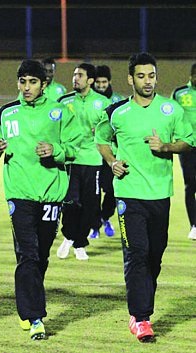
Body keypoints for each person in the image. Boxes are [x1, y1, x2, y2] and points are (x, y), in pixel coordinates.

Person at [95, 52, 192, 342]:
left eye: (151, 75)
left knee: (154, 255)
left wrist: (165, 147)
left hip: (160, 194)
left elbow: (188, 141)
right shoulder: (117, 113)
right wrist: (112, 161)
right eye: (141, 76)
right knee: (136, 253)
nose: (147, 81)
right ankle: (141, 317)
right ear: (130, 79)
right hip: (128, 195)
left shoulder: (171, 109)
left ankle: (141, 306)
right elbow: (101, 140)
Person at [0, 59, 81, 340]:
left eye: (33, 82)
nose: (27, 88)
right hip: (19, 193)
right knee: (28, 253)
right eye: (22, 82)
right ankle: (35, 316)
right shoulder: (6, 113)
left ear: (44, 85)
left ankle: (28, 302)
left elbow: (77, 146)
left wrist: (56, 150)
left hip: (51, 193)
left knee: (40, 255)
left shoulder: (59, 112)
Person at [56, 63, 110, 260]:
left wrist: (102, 132)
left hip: (93, 160)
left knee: (90, 205)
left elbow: (109, 131)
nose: (75, 78)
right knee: (70, 203)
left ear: (90, 80)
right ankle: (71, 237)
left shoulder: (103, 103)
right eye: (74, 74)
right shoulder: (63, 101)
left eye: (80, 75)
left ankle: (78, 242)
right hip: (70, 160)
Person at [89, 65, 126, 239]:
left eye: (104, 82)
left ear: (109, 81)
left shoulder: (118, 101)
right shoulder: (89, 100)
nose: (101, 85)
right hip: (92, 154)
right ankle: (94, 225)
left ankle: (105, 218)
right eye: (98, 82)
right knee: (94, 193)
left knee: (111, 191)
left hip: (112, 154)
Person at [171, 63, 196, 240]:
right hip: (187, 146)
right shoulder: (179, 93)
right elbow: (170, 117)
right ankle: (194, 224)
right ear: (191, 75)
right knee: (190, 185)